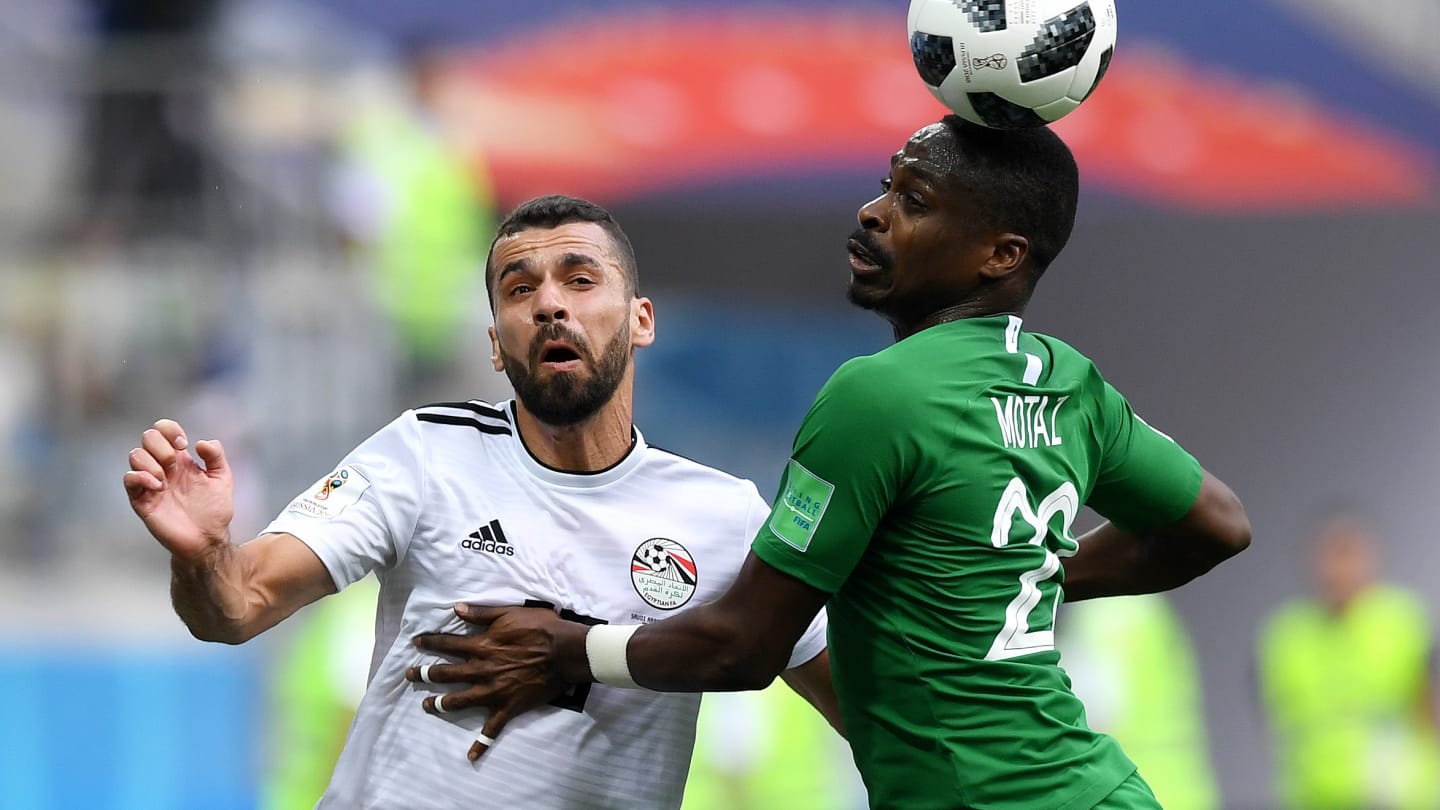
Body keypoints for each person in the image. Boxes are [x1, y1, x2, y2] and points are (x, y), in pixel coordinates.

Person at [415, 117, 1253, 810]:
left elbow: (744, 648)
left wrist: (570, 651)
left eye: (914, 202)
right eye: (888, 186)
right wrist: (1019, 579)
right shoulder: (1068, 382)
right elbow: (1216, 524)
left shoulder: (878, 394)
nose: (874, 212)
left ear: (1000, 255)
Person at [122, 194, 839, 809]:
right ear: (497, 345)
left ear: (641, 321)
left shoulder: (723, 517)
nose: (550, 304)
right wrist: (204, 554)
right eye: (520, 290)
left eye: (580, 279)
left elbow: (856, 704)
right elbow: (236, 604)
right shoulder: (422, 453)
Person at [1256, 511, 1439, 810]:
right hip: (1314, 798)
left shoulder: (1404, 622)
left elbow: (1429, 712)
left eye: (1348, 555)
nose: (1338, 570)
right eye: (1330, 556)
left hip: (1397, 800)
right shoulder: (1286, 635)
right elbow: (1273, 721)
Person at [1062, 593, 1221, 810]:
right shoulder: (1150, 610)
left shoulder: (1110, 617)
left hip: (1131, 792)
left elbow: (1093, 715)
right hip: (1182, 790)